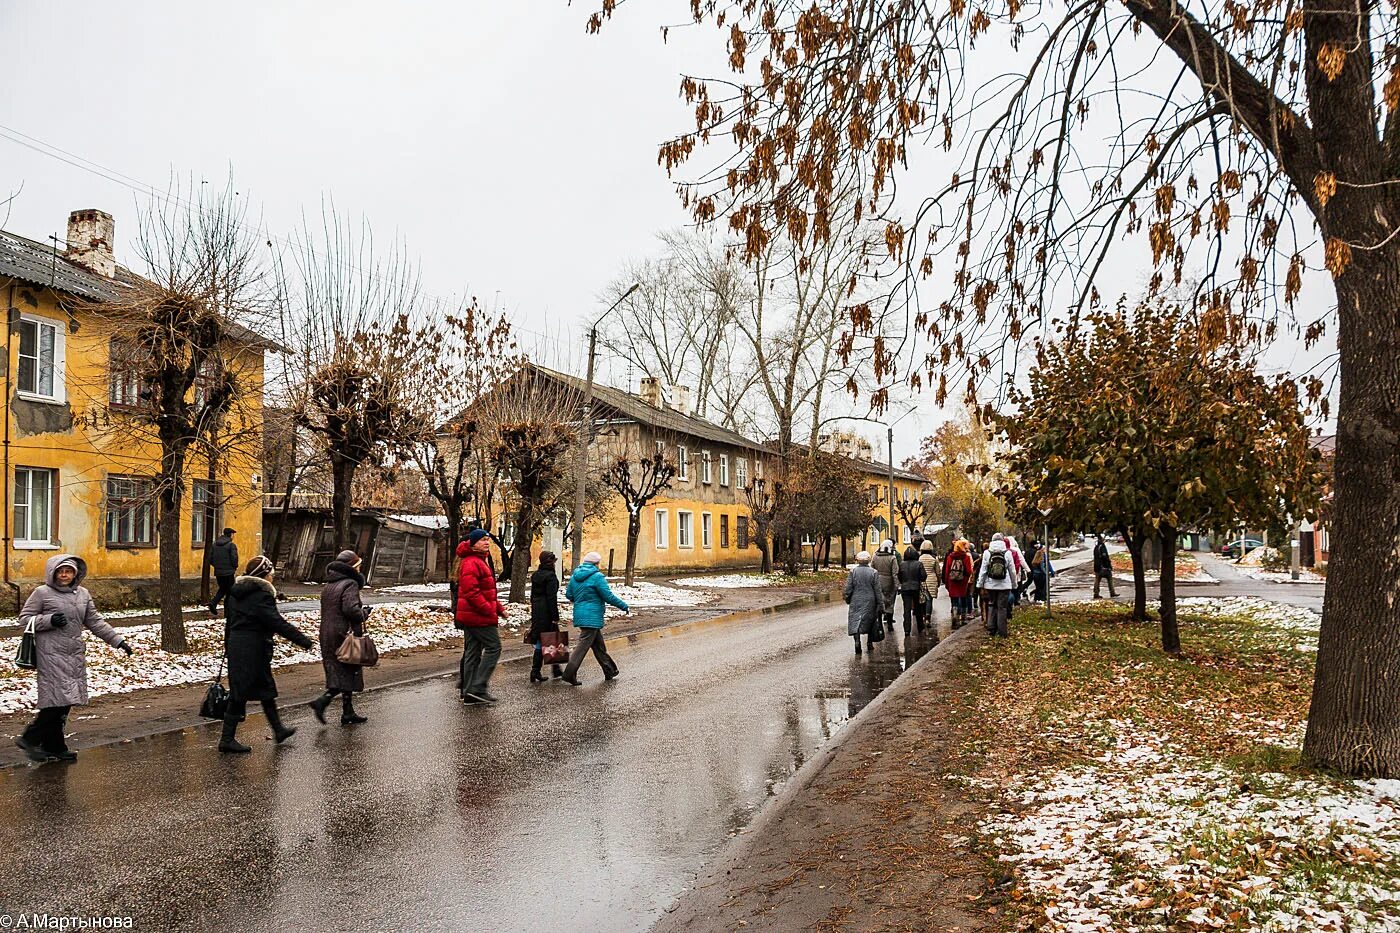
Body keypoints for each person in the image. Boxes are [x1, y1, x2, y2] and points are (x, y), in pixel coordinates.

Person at [15, 555, 133, 763]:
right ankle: (30, 738)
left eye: (68, 571)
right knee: (58, 701)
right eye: (60, 571)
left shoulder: (83, 594)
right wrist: (48, 620)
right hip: (50, 654)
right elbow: (24, 619)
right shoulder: (42, 593)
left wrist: (118, 641)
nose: (64, 575)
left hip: (73, 654)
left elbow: (95, 622)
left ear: (75, 574)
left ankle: (55, 746)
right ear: (52, 573)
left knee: (63, 702)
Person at [220, 556, 315, 753]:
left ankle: (278, 729)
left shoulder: (234, 593)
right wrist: (302, 640)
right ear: (264, 575)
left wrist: (228, 647)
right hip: (252, 648)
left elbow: (229, 623)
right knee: (240, 694)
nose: (273, 577)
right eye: (271, 574)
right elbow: (276, 622)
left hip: (239, 646)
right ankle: (226, 739)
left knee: (264, 688)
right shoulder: (261, 596)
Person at [309, 549, 370, 726]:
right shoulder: (350, 584)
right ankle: (323, 701)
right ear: (353, 568)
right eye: (358, 566)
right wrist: (363, 613)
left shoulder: (329, 585)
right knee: (347, 670)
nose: (360, 569)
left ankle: (348, 711)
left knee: (342, 670)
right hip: (344, 634)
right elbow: (350, 609)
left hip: (328, 632)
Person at [561, 551, 629, 685]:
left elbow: (569, 595)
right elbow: (608, 596)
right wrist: (623, 606)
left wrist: (581, 600)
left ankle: (609, 670)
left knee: (598, 645)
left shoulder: (575, 576)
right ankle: (569, 673)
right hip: (592, 615)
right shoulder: (597, 577)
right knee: (583, 645)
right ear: (596, 563)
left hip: (580, 614)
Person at [456, 529, 507, 705]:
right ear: (473, 543)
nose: (487, 542)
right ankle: (478, 687)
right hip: (477, 615)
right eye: (483, 540)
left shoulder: (479, 560)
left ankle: (469, 692)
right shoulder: (472, 562)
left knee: (472, 653)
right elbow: (472, 592)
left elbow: (487, 592)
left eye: (488, 540)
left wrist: (499, 608)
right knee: (494, 647)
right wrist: (488, 610)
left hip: (472, 615)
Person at [527, 551, 563, 683]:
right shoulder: (551, 576)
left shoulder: (536, 575)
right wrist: (555, 616)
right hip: (547, 611)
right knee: (551, 638)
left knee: (541, 640)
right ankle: (543, 670)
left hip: (537, 611)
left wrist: (534, 611)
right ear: (551, 562)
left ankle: (543, 670)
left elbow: (532, 596)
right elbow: (551, 597)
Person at [977, 538, 1020, 637]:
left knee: (992, 604)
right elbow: (1012, 570)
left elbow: (983, 570)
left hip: (990, 585)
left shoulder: (987, 553)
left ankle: (991, 628)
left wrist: (980, 584)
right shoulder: (1007, 553)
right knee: (1002, 608)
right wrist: (1014, 584)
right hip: (1004, 586)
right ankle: (1002, 631)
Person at [843, 551, 882, 655]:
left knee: (855, 621)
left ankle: (857, 642)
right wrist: (880, 604)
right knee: (870, 621)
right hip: (870, 600)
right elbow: (877, 590)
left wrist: (847, 598)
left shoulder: (853, 572)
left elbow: (848, 588)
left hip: (856, 600)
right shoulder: (874, 572)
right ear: (868, 560)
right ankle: (869, 643)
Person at [206, 527, 239, 618]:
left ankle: (213, 603)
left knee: (223, 589)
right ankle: (228, 613)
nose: (233, 536)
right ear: (230, 535)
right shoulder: (231, 545)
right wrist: (234, 567)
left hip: (219, 572)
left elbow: (210, 559)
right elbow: (234, 559)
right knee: (229, 592)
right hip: (229, 572)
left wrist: (217, 566)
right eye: (233, 534)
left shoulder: (214, 545)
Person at [896, 546, 927, 635]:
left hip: (905, 589)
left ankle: (907, 629)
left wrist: (903, 583)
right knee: (918, 608)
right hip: (916, 588)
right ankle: (920, 627)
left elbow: (899, 576)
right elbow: (923, 576)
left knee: (906, 609)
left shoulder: (902, 564)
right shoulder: (919, 564)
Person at [943, 540, 975, 627]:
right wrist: (966, 578)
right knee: (963, 598)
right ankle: (963, 618)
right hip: (963, 581)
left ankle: (955, 614)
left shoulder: (950, 557)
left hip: (952, 581)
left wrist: (947, 582)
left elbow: (947, 571)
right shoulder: (966, 557)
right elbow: (969, 571)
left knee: (954, 599)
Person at [871, 540, 899, 629]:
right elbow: (895, 573)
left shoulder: (875, 556)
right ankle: (890, 623)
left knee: (879, 601)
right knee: (890, 602)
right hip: (889, 582)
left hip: (877, 582)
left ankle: (879, 622)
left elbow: (872, 569)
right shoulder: (892, 558)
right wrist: (897, 585)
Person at [918, 540, 941, 625]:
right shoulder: (934, 558)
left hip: (922, 581)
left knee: (922, 599)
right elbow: (938, 572)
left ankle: (923, 615)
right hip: (932, 580)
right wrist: (939, 581)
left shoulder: (919, 558)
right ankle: (928, 617)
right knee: (929, 600)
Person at [1093, 534, 1118, 598]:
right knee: (1109, 578)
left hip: (1097, 566)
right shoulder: (1102, 547)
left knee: (1097, 580)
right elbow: (1105, 557)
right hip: (1104, 566)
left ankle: (1096, 593)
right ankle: (1112, 592)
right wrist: (1108, 565)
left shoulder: (1096, 547)